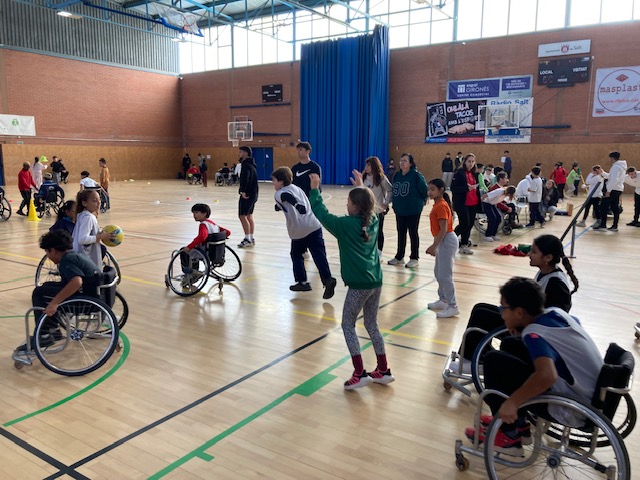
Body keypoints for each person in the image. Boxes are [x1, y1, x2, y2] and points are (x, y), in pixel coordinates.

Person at [465, 277, 602, 456]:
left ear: (519, 312)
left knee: (493, 360)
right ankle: (519, 425)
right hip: (590, 396)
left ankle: (508, 435)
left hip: (572, 408)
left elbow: (547, 376)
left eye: (503, 308)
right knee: (511, 344)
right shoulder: (556, 313)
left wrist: (512, 402)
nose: (501, 313)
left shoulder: (535, 333)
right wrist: (522, 329)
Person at [309, 172, 394, 389]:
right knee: (371, 324)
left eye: (348, 202)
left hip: (359, 285)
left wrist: (315, 190)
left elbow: (322, 214)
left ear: (355, 206)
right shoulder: (373, 220)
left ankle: (360, 373)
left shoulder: (345, 225)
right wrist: (361, 188)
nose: (346, 205)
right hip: (376, 281)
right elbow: (370, 207)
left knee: (347, 324)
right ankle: (383, 370)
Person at [451, 234, 579, 373]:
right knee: (479, 307)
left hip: (532, 331)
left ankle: (472, 360)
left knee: (482, 315)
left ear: (548, 258)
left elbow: (556, 318)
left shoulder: (556, 284)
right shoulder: (545, 273)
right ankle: (473, 356)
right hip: (527, 321)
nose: (529, 254)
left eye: (534, 252)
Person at [14, 230, 101, 353]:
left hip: (83, 300)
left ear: (54, 250)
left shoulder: (66, 261)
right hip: (91, 293)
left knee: (39, 293)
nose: (48, 257)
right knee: (46, 287)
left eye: (47, 252)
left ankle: (45, 335)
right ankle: (53, 330)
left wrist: (54, 303)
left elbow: (77, 282)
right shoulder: (75, 255)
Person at [272, 167, 337, 298]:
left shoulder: (279, 193)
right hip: (314, 226)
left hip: (299, 231)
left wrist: (296, 205)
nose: (273, 183)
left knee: (296, 254)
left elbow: (287, 197)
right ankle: (327, 279)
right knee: (319, 255)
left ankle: (302, 282)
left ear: (281, 181)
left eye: (274, 180)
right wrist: (279, 207)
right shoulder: (297, 188)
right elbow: (286, 201)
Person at [425, 178, 459, 318]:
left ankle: (453, 306)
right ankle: (443, 300)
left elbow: (444, 229)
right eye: (429, 189)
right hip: (442, 240)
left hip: (447, 240)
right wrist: (436, 244)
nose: (430, 192)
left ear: (441, 190)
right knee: (438, 273)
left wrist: (434, 246)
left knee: (445, 275)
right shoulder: (437, 205)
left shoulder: (441, 206)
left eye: (433, 189)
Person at [387, 153, 428, 267]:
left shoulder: (416, 175)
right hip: (400, 209)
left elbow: (424, 190)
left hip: (413, 209)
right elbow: (394, 190)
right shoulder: (397, 175)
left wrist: (424, 199)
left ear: (410, 163)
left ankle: (414, 258)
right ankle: (399, 256)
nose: (402, 163)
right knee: (401, 233)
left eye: (405, 160)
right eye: (401, 160)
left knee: (413, 233)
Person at [180, 203, 230, 287]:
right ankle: (194, 272)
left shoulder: (203, 224)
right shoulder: (213, 224)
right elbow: (227, 232)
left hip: (206, 252)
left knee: (183, 251)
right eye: (193, 213)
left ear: (204, 214)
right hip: (216, 252)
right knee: (192, 251)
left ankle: (192, 273)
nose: (194, 215)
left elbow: (202, 236)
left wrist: (189, 247)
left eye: (196, 212)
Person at [73, 189, 113, 269]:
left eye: (99, 200)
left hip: (80, 256)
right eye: (94, 201)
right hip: (84, 258)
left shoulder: (83, 215)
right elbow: (82, 239)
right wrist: (100, 237)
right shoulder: (88, 218)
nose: (99, 203)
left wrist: (100, 233)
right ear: (84, 203)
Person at [361, 156, 392, 257]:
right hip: (366, 210)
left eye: (368, 165)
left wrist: (385, 203)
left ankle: (379, 252)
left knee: (378, 231)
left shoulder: (381, 178)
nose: (366, 167)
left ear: (374, 166)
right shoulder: (364, 177)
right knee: (365, 230)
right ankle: (368, 249)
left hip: (378, 211)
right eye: (366, 165)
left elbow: (390, 190)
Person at [451, 153, 481, 255]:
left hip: (473, 202)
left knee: (470, 225)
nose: (471, 163)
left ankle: (464, 245)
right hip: (462, 203)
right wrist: (466, 188)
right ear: (464, 162)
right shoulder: (459, 173)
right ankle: (450, 238)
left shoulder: (475, 174)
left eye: (473, 161)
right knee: (464, 224)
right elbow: (453, 188)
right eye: (469, 161)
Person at [595, 151, 627, 232]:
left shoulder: (616, 167)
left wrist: (608, 191)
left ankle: (603, 226)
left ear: (612, 158)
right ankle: (615, 226)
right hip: (618, 189)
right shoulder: (621, 167)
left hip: (613, 189)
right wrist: (603, 173)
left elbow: (614, 179)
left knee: (603, 207)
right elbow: (611, 176)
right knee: (615, 207)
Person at [237, 146, 258, 248]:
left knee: (242, 216)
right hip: (254, 193)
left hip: (248, 194)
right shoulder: (252, 164)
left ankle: (247, 239)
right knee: (249, 216)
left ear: (246, 153)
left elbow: (245, 178)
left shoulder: (245, 165)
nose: (239, 154)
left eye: (240, 152)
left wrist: (243, 191)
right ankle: (251, 237)